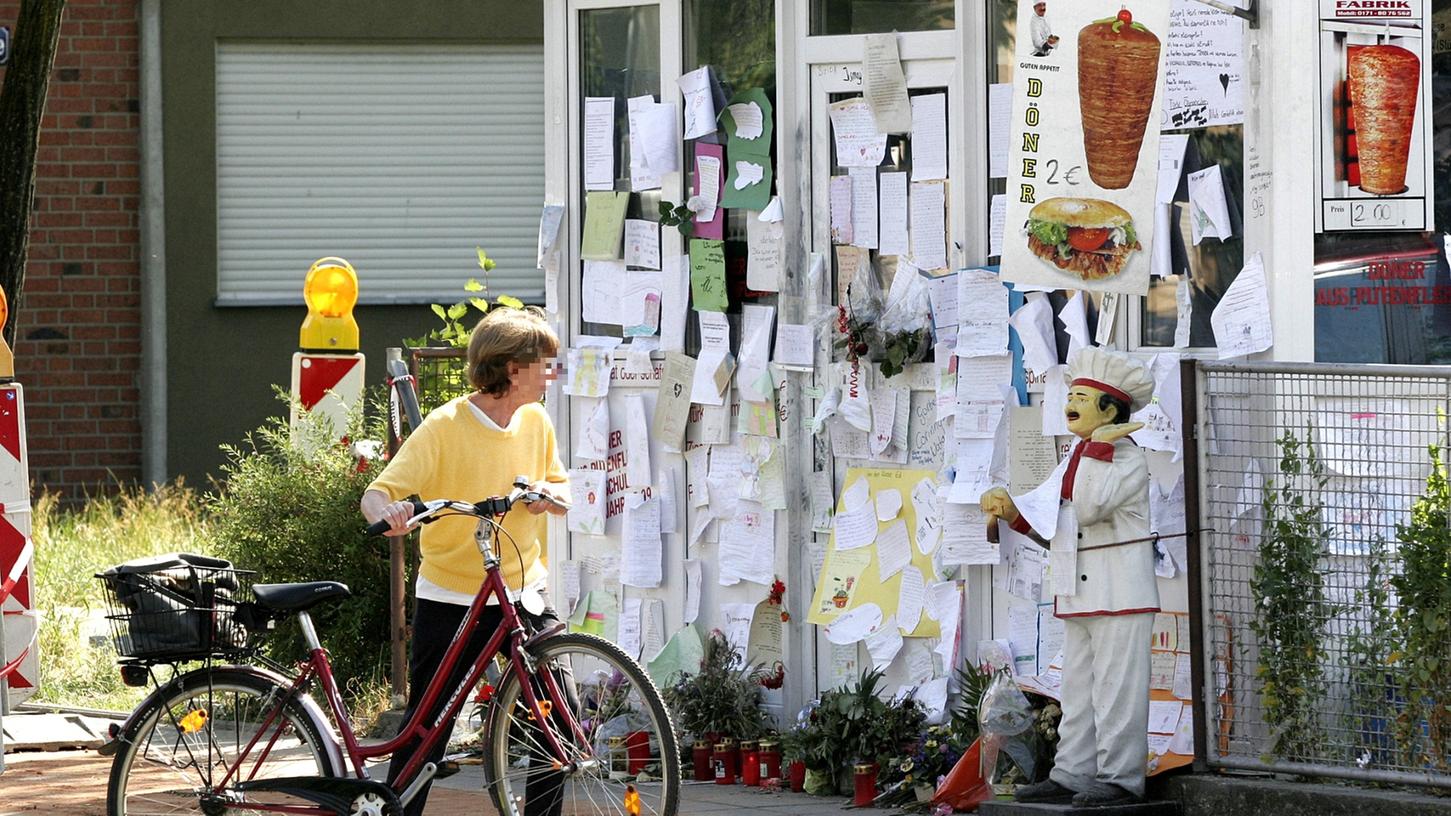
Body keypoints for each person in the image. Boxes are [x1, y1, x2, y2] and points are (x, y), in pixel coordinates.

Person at [361, 306, 571, 816]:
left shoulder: (536, 420)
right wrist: (387, 514)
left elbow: (562, 490)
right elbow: (378, 491)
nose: (552, 373)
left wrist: (547, 496)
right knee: (429, 727)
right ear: (511, 368)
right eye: (544, 363)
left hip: (521, 590)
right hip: (452, 597)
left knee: (558, 721)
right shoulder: (445, 426)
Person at [979, 348, 1158, 808]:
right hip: (1077, 592)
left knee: (1118, 692)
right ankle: (1072, 773)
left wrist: (1098, 446)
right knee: (1076, 691)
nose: (1071, 402)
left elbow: (1091, 507)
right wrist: (1015, 512)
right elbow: (1053, 522)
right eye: (1071, 394)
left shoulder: (1124, 459)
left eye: (1082, 396)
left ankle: (1121, 779)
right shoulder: (1078, 455)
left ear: (1110, 408)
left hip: (1121, 595)